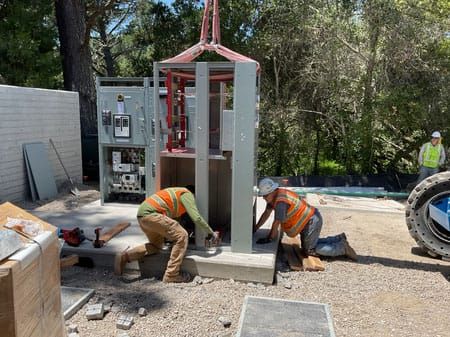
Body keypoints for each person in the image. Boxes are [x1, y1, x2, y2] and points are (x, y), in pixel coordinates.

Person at [114, 186, 219, 283]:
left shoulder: (176, 194)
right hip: (152, 215)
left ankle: (124, 257)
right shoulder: (187, 194)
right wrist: (211, 232)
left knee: (156, 246)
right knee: (182, 236)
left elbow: (170, 220)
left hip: (143, 217)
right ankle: (171, 274)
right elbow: (196, 217)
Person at [254, 178, 357, 260]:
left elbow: (276, 222)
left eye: (265, 195)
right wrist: (256, 228)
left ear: (272, 191)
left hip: (311, 222)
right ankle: (338, 239)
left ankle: (342, 248)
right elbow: (266, 214)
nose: (264, 198)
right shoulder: (275, 197)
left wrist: (270, 238)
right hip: (309, 220)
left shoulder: (281, 202)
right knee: (311, 244)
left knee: (309, 250)